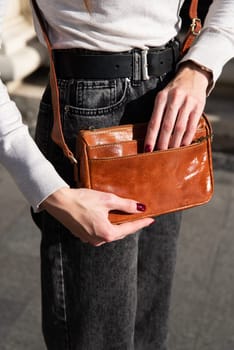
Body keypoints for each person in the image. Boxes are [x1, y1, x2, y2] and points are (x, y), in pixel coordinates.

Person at [0, 0, 234, 349]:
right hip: (88, 112)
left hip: (169, 101)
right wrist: (50, 191)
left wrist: (201, 67)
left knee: (149, 333)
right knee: (97, 338)